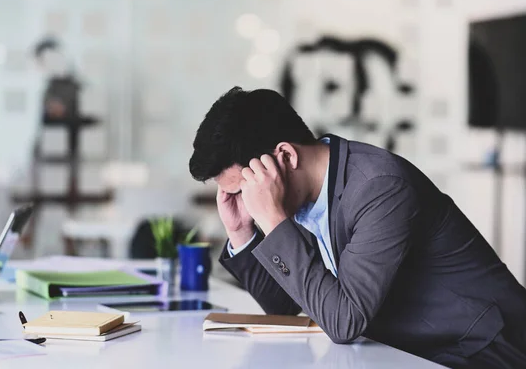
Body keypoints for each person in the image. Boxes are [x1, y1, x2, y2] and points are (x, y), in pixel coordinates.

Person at [188, 86, 526, 368]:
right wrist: (241, 233)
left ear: (286, 157)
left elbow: (343, 322)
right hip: (411, 352)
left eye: (242, 188)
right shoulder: (303, 194)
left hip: (482, 350)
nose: (244, 199)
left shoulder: (379, 187)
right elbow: (286, 307)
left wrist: (274, 222)